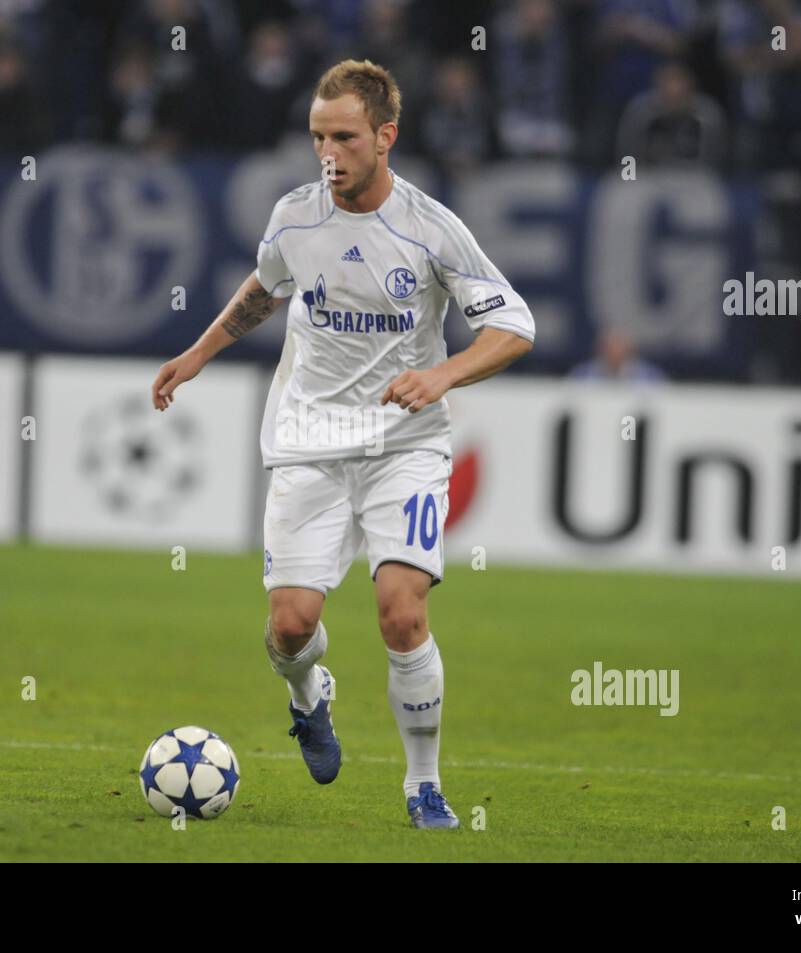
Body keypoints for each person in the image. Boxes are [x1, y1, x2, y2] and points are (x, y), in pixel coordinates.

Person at [150, 59, 535, 829]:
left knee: (401, 609)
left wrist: (443, 375)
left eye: (346, 138)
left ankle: (422, 784)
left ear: (386, 137)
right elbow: (265, 287)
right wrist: (197, 354)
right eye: (318, 137)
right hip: (308, 440)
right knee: (291, 625)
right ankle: (308, 694)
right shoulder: (295, 215)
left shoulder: (430, 228)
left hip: (406, 445)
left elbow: (514, 326)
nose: (329, 153)